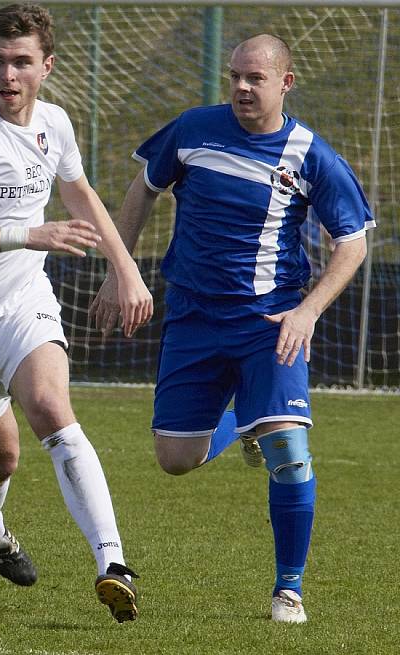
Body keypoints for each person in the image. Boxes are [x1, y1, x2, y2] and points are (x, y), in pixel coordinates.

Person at [90, 34, 373, 623]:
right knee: (175, 459)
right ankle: (240, 426)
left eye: (256, 79)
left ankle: (287, 588)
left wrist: (308, 310)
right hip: (193, 317)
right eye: (235, 77)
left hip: (269, 322)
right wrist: (121, 269)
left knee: (291, 452)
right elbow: (143, 187)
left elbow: (352, 241)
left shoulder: (310, 155)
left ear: (285, 84)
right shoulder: (194, 128)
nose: (243, 88)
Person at [0, 3, 152, 623]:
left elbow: (79, 193)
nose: (7, 75)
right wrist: (27, 234)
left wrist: (124, 268)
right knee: (2, 459)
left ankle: (113, 564)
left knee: (51, 408)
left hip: (23, 301)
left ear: (47, 66)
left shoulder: (55, 123)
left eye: (21, 62)